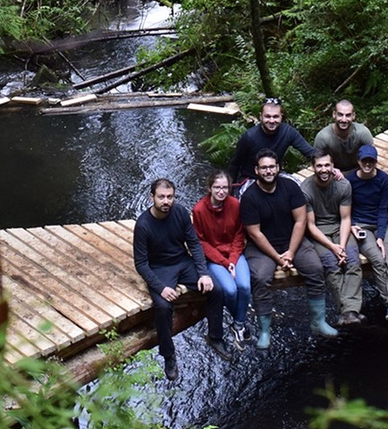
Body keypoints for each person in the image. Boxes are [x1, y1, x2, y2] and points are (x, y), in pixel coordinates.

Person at [133, 178, 232, 381]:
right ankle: (169, 355)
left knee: (217, 288)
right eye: (161, 197)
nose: (166, 201)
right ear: (152, 197)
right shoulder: (143, 225)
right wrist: (161, 288)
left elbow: (194, 244)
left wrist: (203, 273)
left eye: (170, 197)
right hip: (159, 268)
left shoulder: (179, 213)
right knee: (162, 306)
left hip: (182, 261)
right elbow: (141, 264)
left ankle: (215, 336)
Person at [239, 148, 338, 349]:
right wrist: (278, 258)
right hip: (262, 247)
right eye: (264, 168)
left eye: (272, 167)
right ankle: (264, 330)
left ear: (278, 168)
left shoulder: (290, 187)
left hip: (293, 240)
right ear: (257, 170)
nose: (268, 171)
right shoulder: (249, 197)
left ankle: (318, 322)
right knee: (260, 277)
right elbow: (255, 233)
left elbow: (301, 221)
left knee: (315, 269)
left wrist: (291, 252)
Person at [346, 144, 388, 325]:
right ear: (358, 161)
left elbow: (383, 209)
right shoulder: (350, 181)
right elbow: (345, 209)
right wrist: (351, 226)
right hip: (360, 225)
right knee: (378, 260)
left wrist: (381, 236)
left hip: (382, 224)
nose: (367, 164)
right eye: (364, 161)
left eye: (371, 161)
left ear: (376, 162)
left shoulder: (383, 179)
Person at [300, 150, 364, 326]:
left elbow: (345, 218)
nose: (323, 169)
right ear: (312, 167)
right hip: (319, 233)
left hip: (339, 228)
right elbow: (311, 226)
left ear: (333, 166)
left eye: (327, 165)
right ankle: (349, 310)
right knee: (331, 265)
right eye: (319, 166)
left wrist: (342, 246)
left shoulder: (343, 185)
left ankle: (348, 312)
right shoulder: (305, 190)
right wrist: (333, 247)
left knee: (353, 261)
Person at [192, 170, 252, 349]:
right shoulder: (199, 210)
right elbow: (201, 242)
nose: (221, 191)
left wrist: (233, 260)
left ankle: (238, 325)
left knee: (245, 287)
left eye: (225, 187)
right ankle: (240, 323)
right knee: (230, 291)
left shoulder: (235, 204)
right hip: (214, 258)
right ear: (210, 188)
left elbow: (239, 235)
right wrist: (225, 264)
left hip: (234, 254)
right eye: (217, 187)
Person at [229, 97, 317, 189]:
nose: (271, 121)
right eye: (267, 116)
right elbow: (235, 164)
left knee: (300, 189)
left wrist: (327, 165)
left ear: (281, 116)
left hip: (275, 175)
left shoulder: (288, 132)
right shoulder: (249, 137)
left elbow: (310, 153)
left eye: (275, 116)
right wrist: (229, 187)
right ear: (260, 116)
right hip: (251, 179)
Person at [313, 99, 375, 173]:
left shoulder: (362, 132)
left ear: (353, 116)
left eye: (348, 115)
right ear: (334, 114)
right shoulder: (323, 137)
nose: (344, 119)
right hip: (333, 172)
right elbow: (317, 161)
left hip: (358, 169)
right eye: (340, 115)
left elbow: (372, 156)